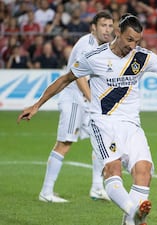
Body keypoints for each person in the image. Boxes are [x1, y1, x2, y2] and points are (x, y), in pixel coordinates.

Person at [17, 13, 157, 225]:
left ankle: (131, 219)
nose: (132, 46)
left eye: (137, 41)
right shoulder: (95, 57)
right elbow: (65, 79)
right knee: (113, 170)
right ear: (117, 32)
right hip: (103, 123)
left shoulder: (142, 57)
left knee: (144, 171)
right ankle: (134, 211)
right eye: (129, 39)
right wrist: (37, 105)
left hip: (132, 124)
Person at [35, 11, 114, 203]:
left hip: (86, 102)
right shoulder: (86, 45)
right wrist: (94, 101)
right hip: (74, 100)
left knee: (101, 141)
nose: (108, 29)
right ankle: (46, 192)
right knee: (65, 143)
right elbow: (78, 77)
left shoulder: (102, 47)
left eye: (111, 26)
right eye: (104, 25)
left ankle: (96, 188)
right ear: (93, 27)